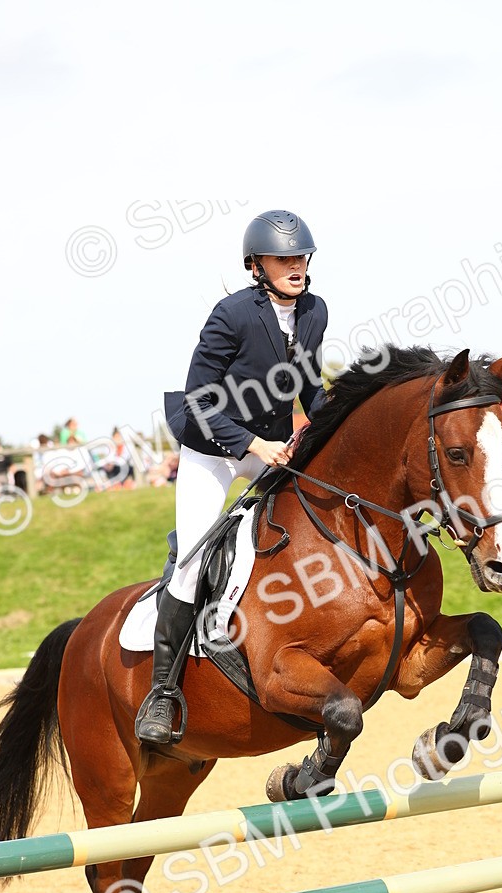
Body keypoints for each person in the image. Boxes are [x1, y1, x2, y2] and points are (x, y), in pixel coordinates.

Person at [136, 209, 328, 745]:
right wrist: (251, 444)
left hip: (270, 447)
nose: (295, 265)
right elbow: (197, 400)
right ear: (256, 266)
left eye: (300, 257)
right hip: (213, 446)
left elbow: (309, 385)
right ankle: (162, 694)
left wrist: (336, 423)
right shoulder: (232, 315)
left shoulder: (314, 311)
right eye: (283, 258)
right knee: (194, 560)